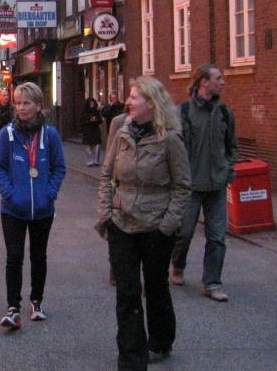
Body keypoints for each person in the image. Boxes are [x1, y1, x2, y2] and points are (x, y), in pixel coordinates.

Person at [96, 77, 191, 370]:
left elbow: (182, 186)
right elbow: (107, 175)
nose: (128, 102)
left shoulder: (170, 139)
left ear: (151, 103)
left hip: (155, 228)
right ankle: (131, 359)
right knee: (127, 293)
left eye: (134, 97)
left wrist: (167, 225)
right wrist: (106, 214)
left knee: (155, 287)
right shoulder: (122, 133)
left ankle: (161, 341)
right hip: (121, 224)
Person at [0, 82, 66, 330]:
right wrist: (9, 194)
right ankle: (13, 307)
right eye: (18, 103)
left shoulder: (50, 135)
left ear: (38, 106)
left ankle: (37, 302)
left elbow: (59, 168)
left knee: (38, 256)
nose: (21, 108)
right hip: (12, 209)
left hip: (42, 209)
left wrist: (49, 194)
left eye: (26, 103)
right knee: (14, 257)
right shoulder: (8, 134)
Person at [170, 64, 238, 302]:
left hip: (217, 185)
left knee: (217, 237)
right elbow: (173, 148)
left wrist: (228, 168)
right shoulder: (183, 112)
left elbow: (232, 146)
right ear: (203, 82)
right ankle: (178, 265)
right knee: (184, 233)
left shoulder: (225, 113)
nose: (223, 82)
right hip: (189, 186)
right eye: (218, 78)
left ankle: (212, 283)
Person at [81, 97, 103, 166]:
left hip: (95, 129)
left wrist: (96, 120)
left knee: (97, 145)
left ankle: (96, 160)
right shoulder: (84, 112)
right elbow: (81, 121)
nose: (92, 105)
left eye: (93, 104)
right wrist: (89, 120)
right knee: (87, 146)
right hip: (87, 130)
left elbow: (100, 120)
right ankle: (89, 161)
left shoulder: (96, 112)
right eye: (91, 104)